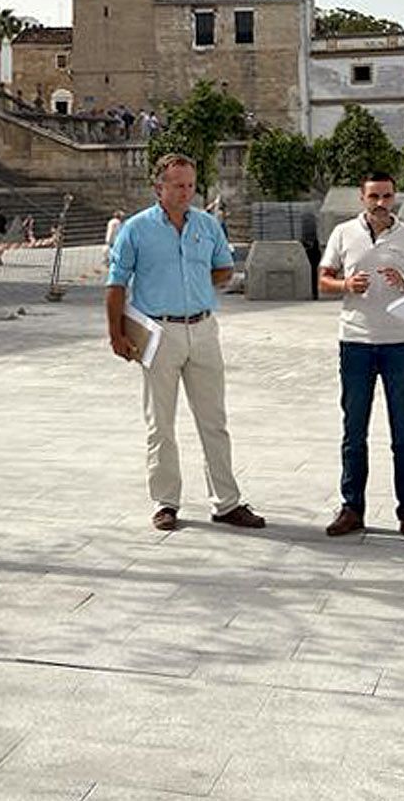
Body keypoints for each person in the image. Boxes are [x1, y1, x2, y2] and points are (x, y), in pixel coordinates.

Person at [106, 154, 265, 532]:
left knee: (214, 421)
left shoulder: (208, 225)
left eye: (191, 185)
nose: (185, 192)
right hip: (159, 333)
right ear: (158, 187)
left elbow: (224, 266)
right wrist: (116, 334)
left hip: (204, 330)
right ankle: (165, 502)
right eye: (177, 185)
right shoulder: (136, 229)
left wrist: (200, 280)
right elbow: (116, 283)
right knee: (160, 423)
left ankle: (226, 502)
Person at [317, 173, 404, 544]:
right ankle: (352, 507)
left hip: (399, 342)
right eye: (374, 196)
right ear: (362, 197)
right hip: (355, 341)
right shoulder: (343, 233)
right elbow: (323, 278)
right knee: (354, 430)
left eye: (386, 196)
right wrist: (345, 285)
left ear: (394, 197)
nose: (380, 202)